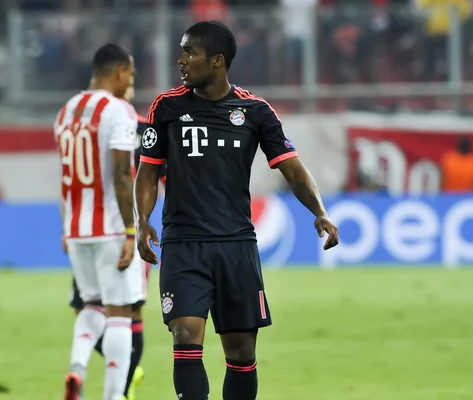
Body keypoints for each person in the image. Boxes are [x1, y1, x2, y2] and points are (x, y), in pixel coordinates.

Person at [134, 21, 339, 400]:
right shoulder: (167, 107)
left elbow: (292, 169)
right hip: (183, 244)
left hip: (236, 245)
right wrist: (141, 220)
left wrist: (320, 210)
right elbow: (148, 172)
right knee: (186, 335)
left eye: (190, 52)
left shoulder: (255, 111)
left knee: (242, 352)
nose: (181, 60)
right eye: (182, 50)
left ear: (217, 61)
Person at [66, 84, 167, 400]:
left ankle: (109, 378)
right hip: (122, 232)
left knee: (90, 306)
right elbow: (164, 179)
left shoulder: (90, 125)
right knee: (125, 313)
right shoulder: (139, 128)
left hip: (88, 228)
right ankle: (123, 382)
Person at [55, 43, 140, 400]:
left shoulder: (66, 111)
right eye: (131, 75)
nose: (131, 83)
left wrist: (65, 226)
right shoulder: (119, 111)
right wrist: (131, 231)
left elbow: (65, 174)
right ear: (120, 71)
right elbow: (122, 172)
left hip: (76, 227)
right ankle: (112, 396)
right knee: (120, 312)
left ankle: (77, 367)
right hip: (110, 227)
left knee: (91, 305)